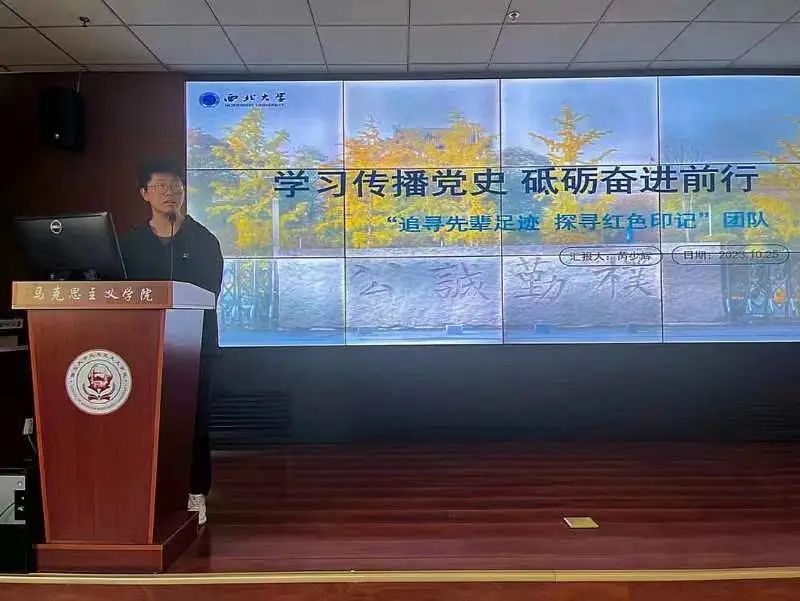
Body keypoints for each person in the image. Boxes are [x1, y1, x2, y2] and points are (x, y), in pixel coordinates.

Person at [119, 158, 223, 526]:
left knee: (194, 422)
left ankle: (195, 491)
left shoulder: (204, 241)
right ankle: (145, 490)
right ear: (144, 193)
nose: (170, 193)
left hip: (194, 347)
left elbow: (209, 294)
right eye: (161, 186)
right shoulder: (129, 244)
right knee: (144, 421)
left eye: (175, 186)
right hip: (142, 348)